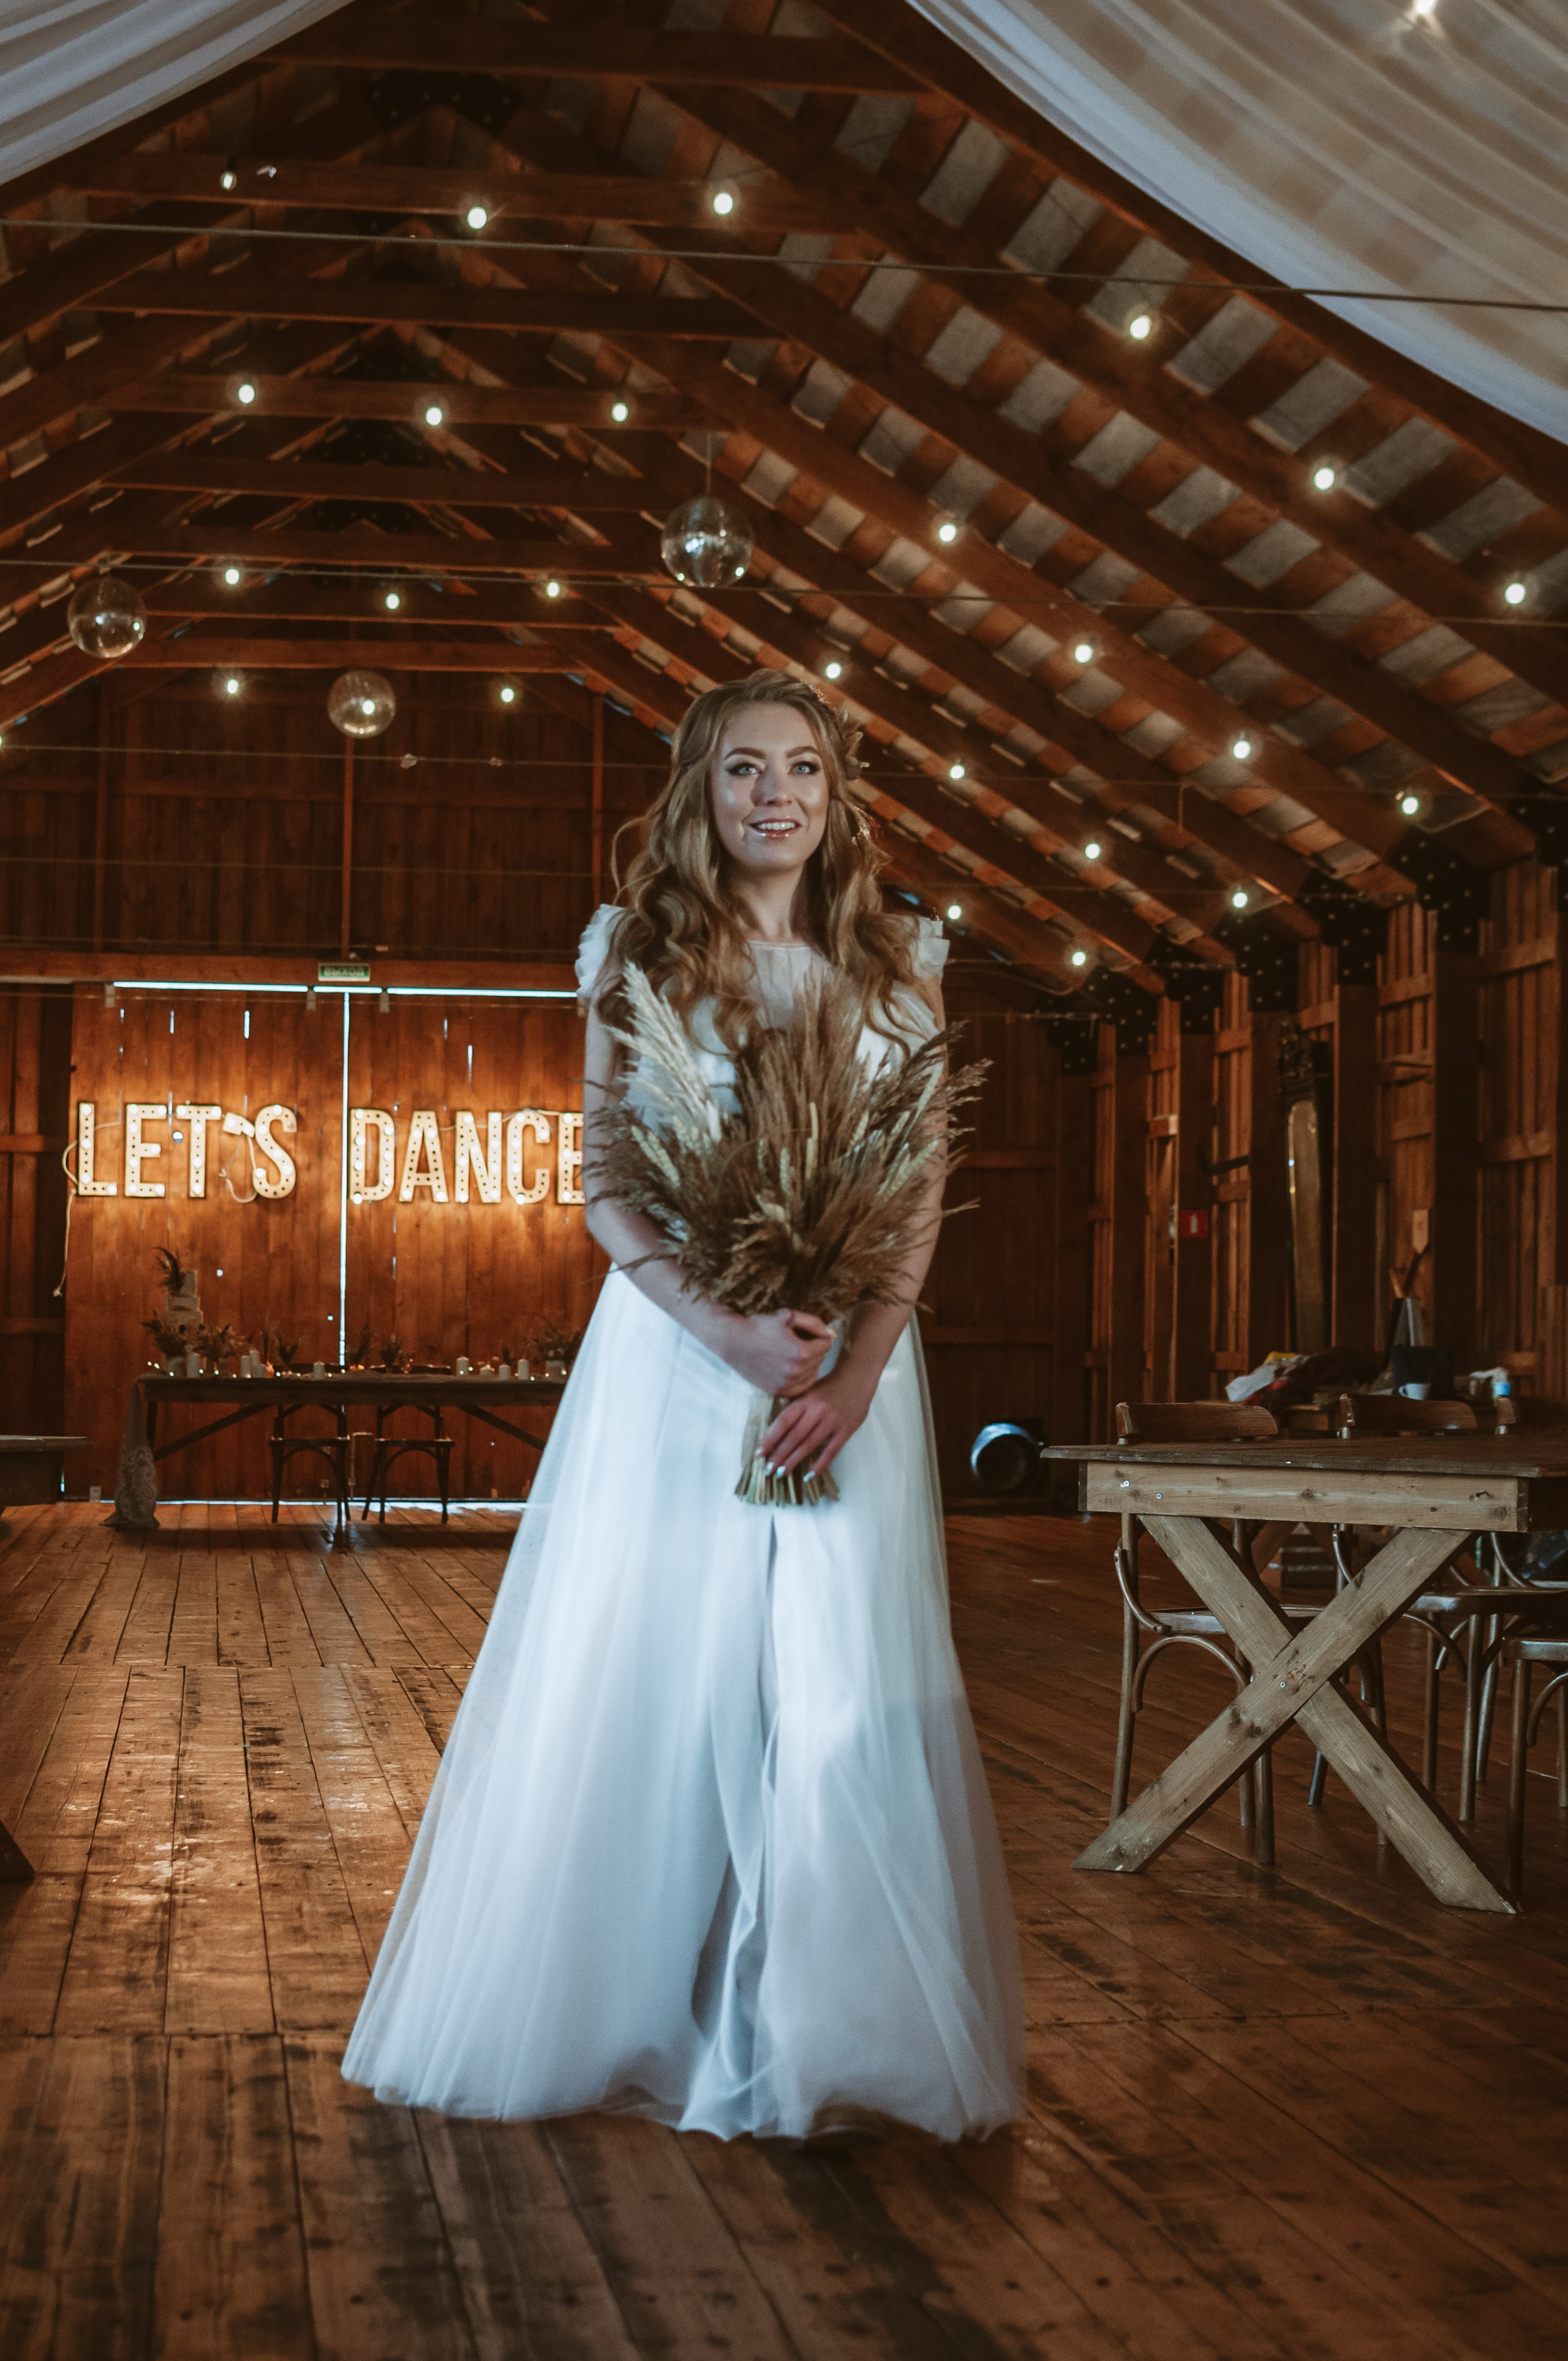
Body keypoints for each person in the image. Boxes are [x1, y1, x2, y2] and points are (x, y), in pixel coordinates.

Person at [342, 671, 1025, 2141]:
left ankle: (818, 2031)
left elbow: (914, 1195)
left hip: (851, 1376)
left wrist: (851, 1369)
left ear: (837, 798)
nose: (772, 795)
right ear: (697, 795)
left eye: (802, 771)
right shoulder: (633, 951)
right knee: (667, 1678)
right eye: (740, 771)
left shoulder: (903, 961)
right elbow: (599, 1188)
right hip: (678, 1361)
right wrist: (724, 1333)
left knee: (838, 1690)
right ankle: (647, 1995)